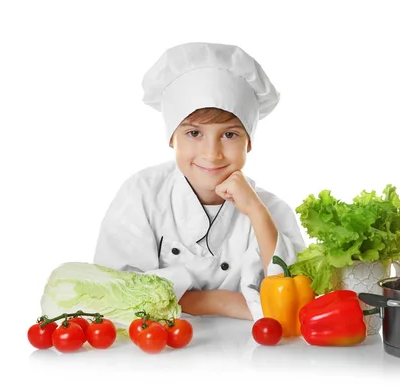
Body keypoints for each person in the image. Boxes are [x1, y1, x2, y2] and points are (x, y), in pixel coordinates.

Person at [93, 42, 306, 321]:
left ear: (249, 142)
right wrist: (219, 301)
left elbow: (295, 300)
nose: (211, 153)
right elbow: (114, 290)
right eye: (194, 133)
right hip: (158, 353)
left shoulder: (271, 209)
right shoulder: (142, 194)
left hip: (251, 355)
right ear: (172, 138)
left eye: (230, 135)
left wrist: (256, 212)